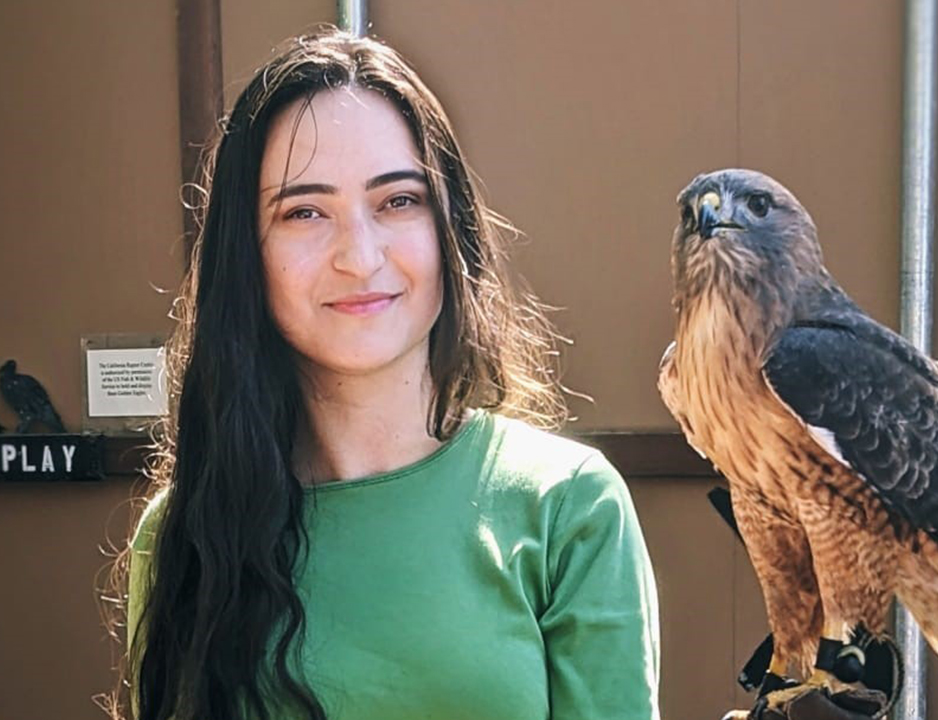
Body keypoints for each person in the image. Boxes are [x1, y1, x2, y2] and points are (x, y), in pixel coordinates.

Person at [114, 28, 660, 720]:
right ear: (244, 257)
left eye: (398, 200)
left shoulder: (568, 508)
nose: (360, 255)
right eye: (305, 211)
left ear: (448, 228)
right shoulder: (185, 532)